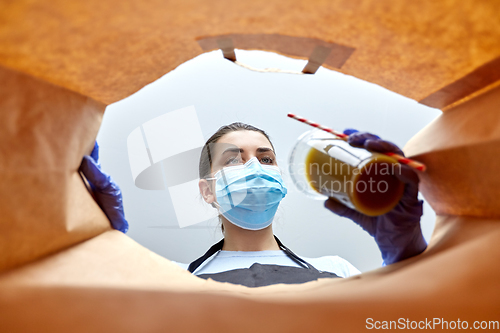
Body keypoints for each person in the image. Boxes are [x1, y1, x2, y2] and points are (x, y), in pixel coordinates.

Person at [80, 122, 427, 288]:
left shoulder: (339, 270)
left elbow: (415, 319)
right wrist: (98, 246)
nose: (254, 168)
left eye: (266, 158)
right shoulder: (170, 276)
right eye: (233, 160)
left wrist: (407, 256)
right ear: (207, 191)